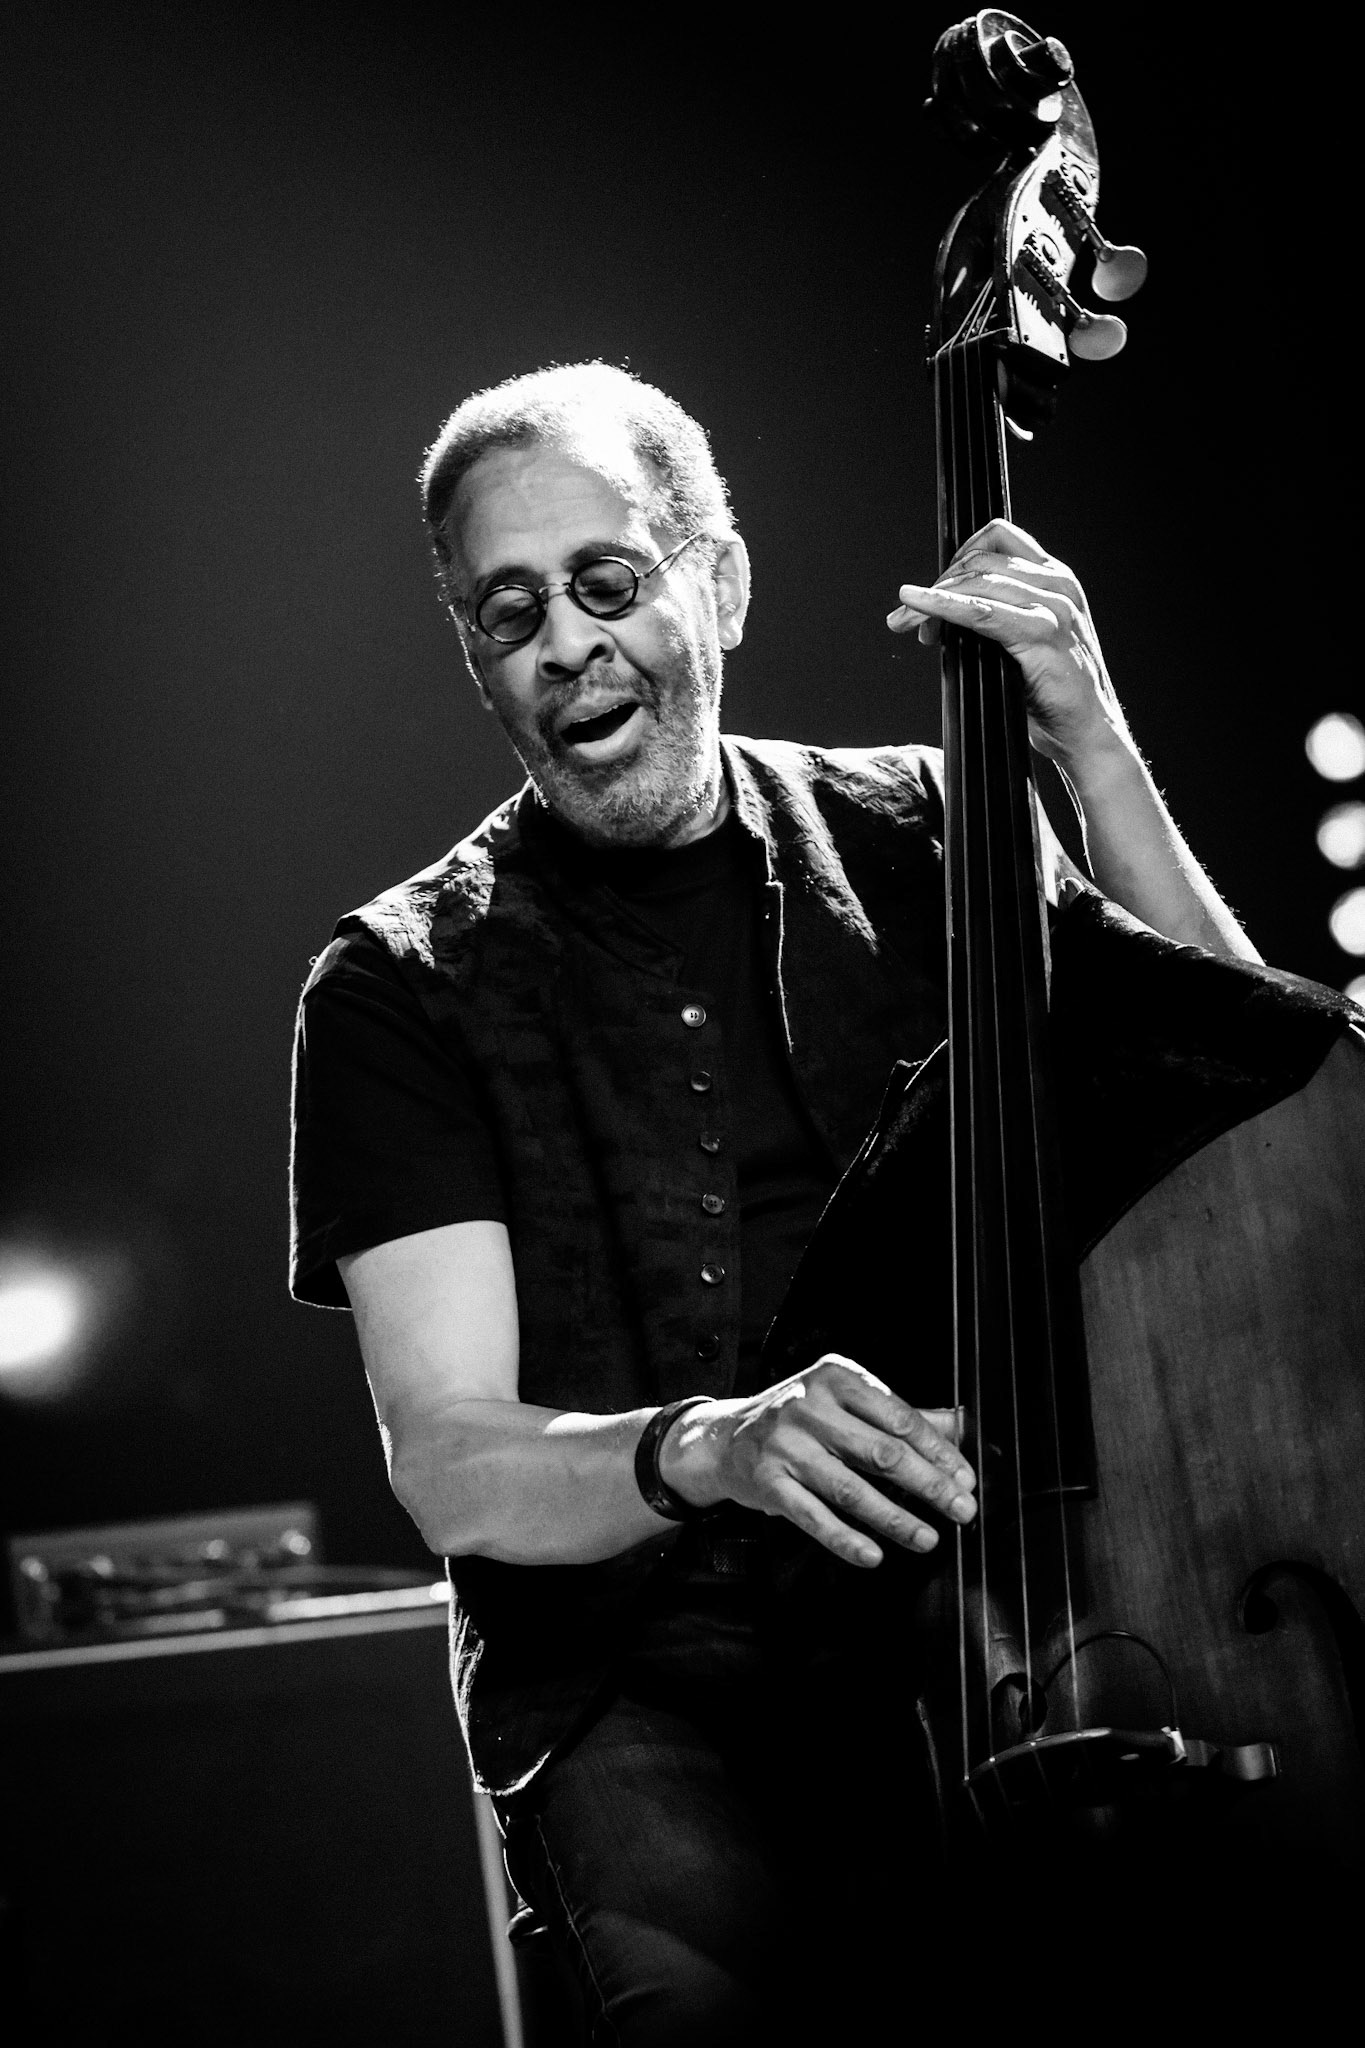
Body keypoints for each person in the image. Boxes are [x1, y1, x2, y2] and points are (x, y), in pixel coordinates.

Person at [289, 362, 1259, 2042]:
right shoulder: (395, 987)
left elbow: (1254, 1102)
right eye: (509, 612)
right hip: (649, 1678)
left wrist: (1088, 744)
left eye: (609, 582)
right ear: (475, 660)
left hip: (1018, 1602)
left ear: (716, 580)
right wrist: (709, 1443)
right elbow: (450, 1459)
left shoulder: (934, 822)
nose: (567, 645)